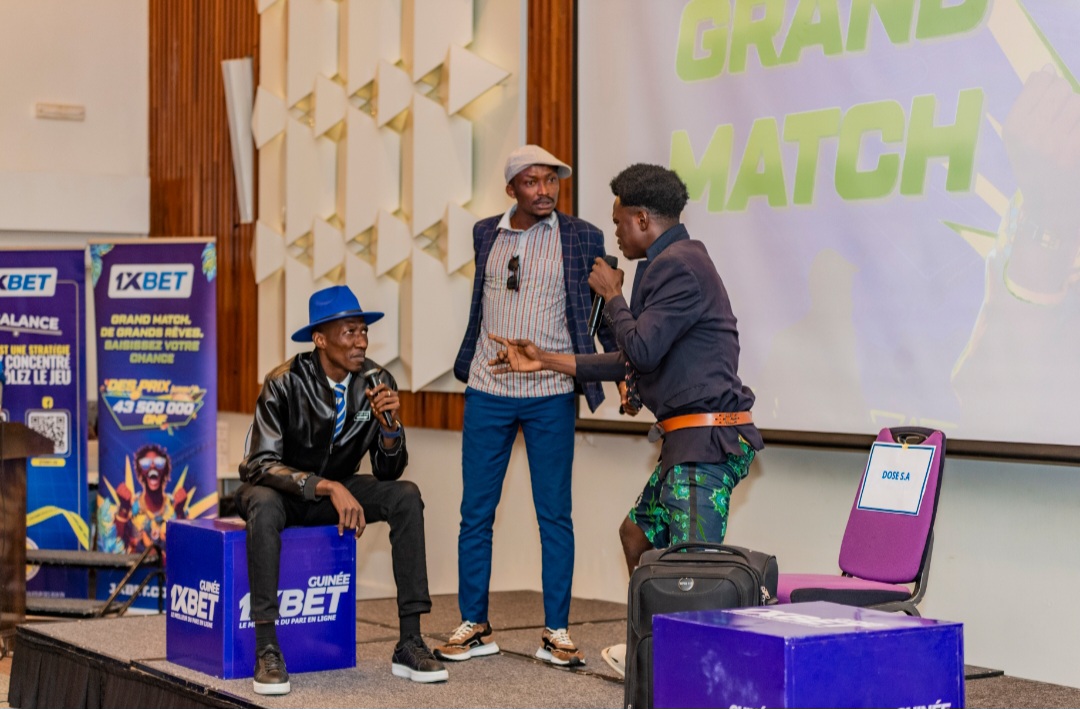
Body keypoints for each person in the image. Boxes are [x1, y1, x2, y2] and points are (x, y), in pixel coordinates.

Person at [489, 163, 764, 676]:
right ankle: (652, 650)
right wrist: (544, 359)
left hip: (707, 442)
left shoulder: (680, 266)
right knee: (636, 535)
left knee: (693, 574)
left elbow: (640, 348)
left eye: (618, 221)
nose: (614, 231)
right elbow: (633, 357)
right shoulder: (669, 263)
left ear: (641, 219)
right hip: (685, 442)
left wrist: (612, 294)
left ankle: (691, 672)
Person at [435, 145, 617, 668]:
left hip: (551, 392)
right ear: (511, 189)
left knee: (554, 515)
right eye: (532, 182)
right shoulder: (485, 234)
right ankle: (475, 624)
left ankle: (556, 632)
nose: (545, 190)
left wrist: (621, 367)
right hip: (488, 390)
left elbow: (598, 309)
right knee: (475, 513)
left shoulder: (583, 236)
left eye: (551, 180)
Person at [235, 285, 447, 695]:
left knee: (405, 496)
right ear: (320, 339)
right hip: (280, 492)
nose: (361, 341)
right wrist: (323, 485)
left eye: (363, 331)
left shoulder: (376, 380)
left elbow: (388, 472)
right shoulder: (283, 382)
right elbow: (258, 463)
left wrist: (390, 430)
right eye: (350, 332)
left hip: (337, 491)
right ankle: (267, 648)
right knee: (262, 502)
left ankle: (410, 641)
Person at [98, 443, 186, 553]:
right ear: (140, 471)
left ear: (165, 470)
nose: (152, 466)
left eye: (159, 462)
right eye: (145, 463)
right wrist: (124, 509)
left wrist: (180, 513)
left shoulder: (175, 505)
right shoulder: (131, 506)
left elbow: (185, 548)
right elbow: (114, 549)